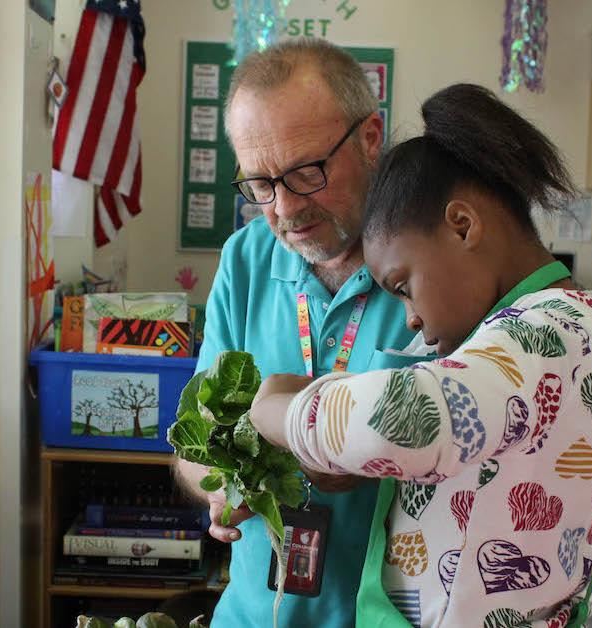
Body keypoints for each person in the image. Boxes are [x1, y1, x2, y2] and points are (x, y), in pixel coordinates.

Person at [248, 83, 592, 627]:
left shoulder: (533, 336)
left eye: (404, 285)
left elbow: (399, 420)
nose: (411, 317)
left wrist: (278, 409)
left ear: (463, 226)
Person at [171, 38, 419, 627]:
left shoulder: (431, 255)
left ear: (370, 138)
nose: (283, 209)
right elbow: (193, 442)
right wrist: (215, 484)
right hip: (252, 615)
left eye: (306, 173)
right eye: (259, 185)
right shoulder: (246, 258)